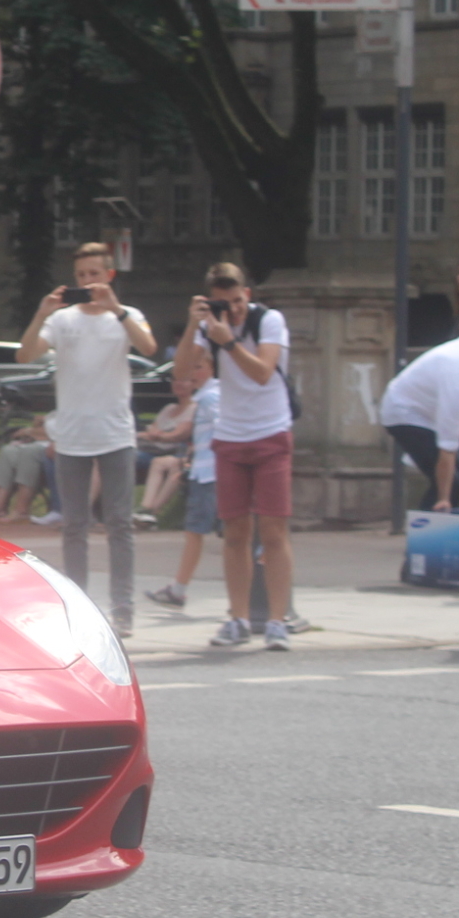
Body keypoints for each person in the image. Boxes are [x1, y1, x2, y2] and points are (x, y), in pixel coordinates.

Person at [19, 242, 154, 633]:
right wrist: (42, 313)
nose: (87, 282)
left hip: (115, 433)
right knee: (74, 524)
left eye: (94, 274)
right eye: (81, 276)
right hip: (73, 435)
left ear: (109, 276)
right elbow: (26, 355)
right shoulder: (63, 321)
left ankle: (123, 606)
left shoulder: (126, 317)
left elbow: (148, 345)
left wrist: (116, 307)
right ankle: (79, 607)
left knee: (119, 523)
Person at [172, 261, 297, 650]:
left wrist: (227, 341)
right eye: (223, 303)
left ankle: (276, 621)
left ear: (248, 294)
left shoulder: (269, 321)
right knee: (235, 534)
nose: (234, 309)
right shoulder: (212, 328)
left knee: (273, 532)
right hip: (231, 437)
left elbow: (263, 371)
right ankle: (238, 617)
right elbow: (181, 373)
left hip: (271, 432)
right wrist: (195, 325)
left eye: (238, 300)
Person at [379, 288, 459, 510]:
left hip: (423, 408)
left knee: (458, 477)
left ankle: (435, 519)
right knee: (453, 481)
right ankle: (429, 525)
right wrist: (444, 498)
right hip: (403, 411)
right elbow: (448, 446)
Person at [147, 371, 218, 609]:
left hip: (212, 474)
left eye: (196, 367)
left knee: (231, 538)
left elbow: (224, 432)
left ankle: (257, 595)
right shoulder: (209, 396)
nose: (188, 375)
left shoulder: (210, 397)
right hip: (204, 470)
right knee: (197, 534)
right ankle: (178, 589)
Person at [132, 384, 196, 527]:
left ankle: (150, 513)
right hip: (154, 450)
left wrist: (156, 436)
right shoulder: (169, 408)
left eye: (183, 381)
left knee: (175, 465)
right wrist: (154, 434)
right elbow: (153, 427)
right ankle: (146, 509)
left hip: (179, 452)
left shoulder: (194, 408)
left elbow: (178, 435)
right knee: (159, 462)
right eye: (175, 380)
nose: (178, 383)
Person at [0, 416, 51, 523]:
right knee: (8, 451)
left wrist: (30, 431)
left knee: (30, 452)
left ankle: (21, 511)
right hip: (40, 445)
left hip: (53, 450)